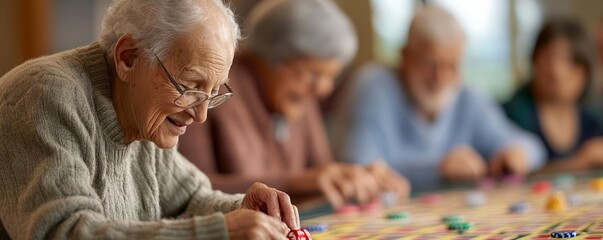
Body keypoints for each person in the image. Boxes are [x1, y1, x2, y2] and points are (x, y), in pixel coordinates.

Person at [0, 0, 301, 239]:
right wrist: (223, 231)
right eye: (190, 86)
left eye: (214, 91)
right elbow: (63, 231)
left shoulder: (145, 114)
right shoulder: (43, 95)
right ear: (128, 58)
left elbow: (190, 200)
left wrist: (242, 209)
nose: (200, 115)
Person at [178, 0, 410, 209]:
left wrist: (355, 177)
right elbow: (187, 191)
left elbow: (322, 174)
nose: (324, 89)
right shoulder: (215, 86)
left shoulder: (298, 97)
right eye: (313, 74)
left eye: (331, 77)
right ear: (265, 58)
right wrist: (299, 183)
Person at [341, 4, 546, 192]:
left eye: (451, 66)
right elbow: (359, 168)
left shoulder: (468, 97)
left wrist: (516, 153)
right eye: (429, 64)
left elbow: (533, 148)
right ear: (404, 56)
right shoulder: (372, 86)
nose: (441, 78)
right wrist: (438, 167)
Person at [504, 18, 603, 174]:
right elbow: (511, 175)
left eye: (573, 62)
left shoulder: (592, 115)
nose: (558, 71)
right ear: (535, 59)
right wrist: (581, 162)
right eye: (550, 56)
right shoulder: (513, 115)